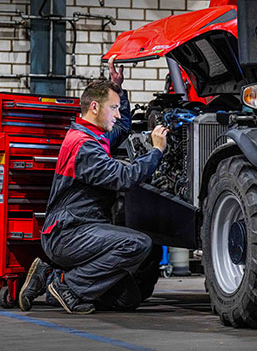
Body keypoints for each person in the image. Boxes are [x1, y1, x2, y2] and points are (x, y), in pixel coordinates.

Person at [18, 56, 168, 314]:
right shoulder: (84, 146)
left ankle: (49, 277)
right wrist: (156, 151)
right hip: (68, 233)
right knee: (137, 244)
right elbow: (125, 178)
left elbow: (122, 126)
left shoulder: (93, 135)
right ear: (95, 108)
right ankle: (68, 286)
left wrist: (118, 88)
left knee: (128, 299)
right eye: (114, 108)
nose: (118, 114)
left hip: (82, 231)